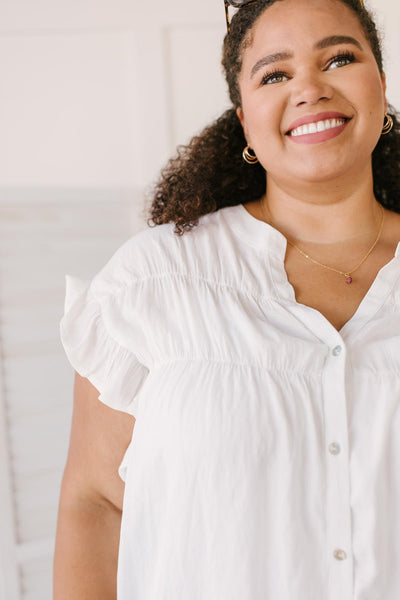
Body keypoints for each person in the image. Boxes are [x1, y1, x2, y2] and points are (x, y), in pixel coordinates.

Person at [54, 0, 400, 598]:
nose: (309, 89)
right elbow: (96, 505)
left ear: (381, 85)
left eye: (339, 58)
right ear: (244, 119)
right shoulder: (155, 282)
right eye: (275, 74)